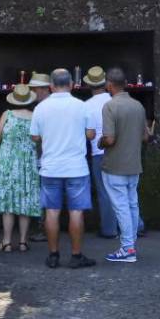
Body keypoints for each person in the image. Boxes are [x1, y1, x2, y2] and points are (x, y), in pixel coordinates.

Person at [30, 68, 97, 269]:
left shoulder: (41, 108)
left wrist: (48, 136)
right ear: (72, 85)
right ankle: (76, 256)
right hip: (77, 167)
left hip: (50, 167)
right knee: (76, 212)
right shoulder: (82, 106)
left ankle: (53, 255)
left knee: (52, 212)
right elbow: (91, 134)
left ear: (51, 86)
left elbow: (34, 136)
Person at [98, 67, 148, 263]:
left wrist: (100, 141)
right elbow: (146, 136)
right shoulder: (138, 106)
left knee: (121, 207)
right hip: (134, 164)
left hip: (115, 164)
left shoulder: (110, 106)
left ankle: (127, 249)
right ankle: (131, 244)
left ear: (109, 85)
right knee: (132, 204)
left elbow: (109, 139)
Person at [0, 83, 41, 252]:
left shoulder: (7, 114)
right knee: (24, 201)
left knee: (8, 204)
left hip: (8, 163)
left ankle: (6, 242)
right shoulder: (35, 116)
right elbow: (39, 140)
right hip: (28, 163)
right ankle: (22, 242)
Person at [83, 66, 118, 239]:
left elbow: (86, 132)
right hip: (118, 150)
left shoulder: (86, 106)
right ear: (105, 84)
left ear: (89, 85)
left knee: (104, 192)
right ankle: (137, 225)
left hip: (98, 151)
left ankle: (109, 229)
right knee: (124, 189)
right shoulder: (114, 101)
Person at [27, 72, 52, 243]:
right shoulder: (57, 104)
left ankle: (44, 229)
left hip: (45, 156)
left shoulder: (40, 108)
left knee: (45, 195)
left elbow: (35, 136)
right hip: (59, 157)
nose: (32, 93)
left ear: (42, 89)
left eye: (34, 89)